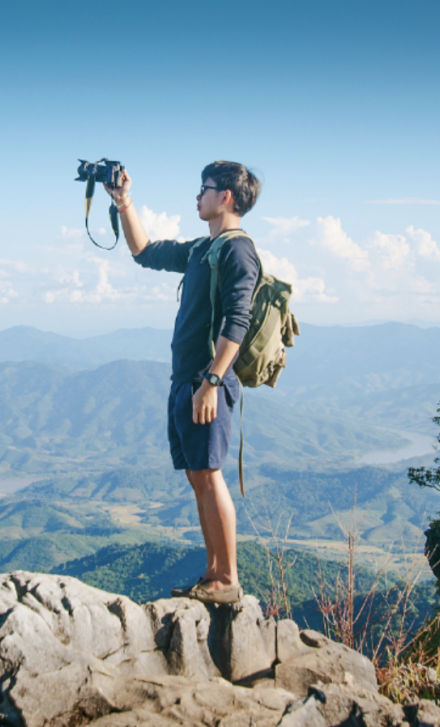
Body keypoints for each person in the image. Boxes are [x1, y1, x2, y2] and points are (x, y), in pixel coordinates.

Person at [105, 161, 261, 605]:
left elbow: (238, 320)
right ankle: (213, 574)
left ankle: (227, 578)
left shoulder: (237, 252)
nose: (197, 196)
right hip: (186, 382)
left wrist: (212, 381)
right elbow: (145, 251)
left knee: (210, 476)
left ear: (226, 197)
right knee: (198, 476)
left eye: (204, 189)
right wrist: (123, 202)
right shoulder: (200, 250)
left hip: (205, 382)